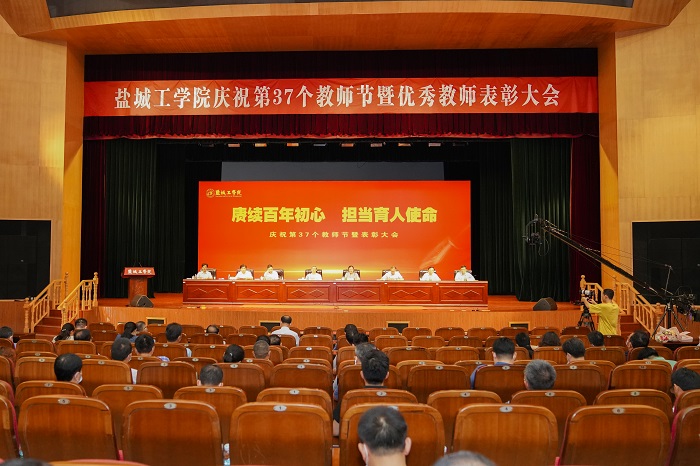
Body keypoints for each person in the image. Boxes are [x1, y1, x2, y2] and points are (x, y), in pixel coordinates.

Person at [333, 348, 389, 436]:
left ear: (362, 375)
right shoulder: (402, 399)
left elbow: (335, 430)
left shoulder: (350, 398)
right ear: (387, 375)